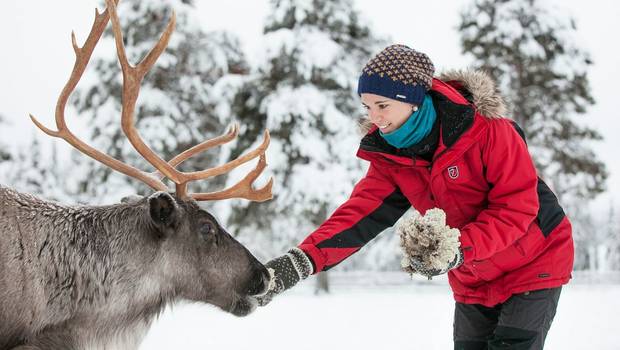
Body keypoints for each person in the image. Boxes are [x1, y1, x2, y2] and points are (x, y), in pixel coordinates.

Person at [255, 44, 573, 350]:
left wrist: (457, 249)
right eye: (367, 106)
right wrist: (298, 263)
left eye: (383, 105)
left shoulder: (490, 132)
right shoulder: (393, 157)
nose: (375, 117)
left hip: (534, 260)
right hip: (473, 276)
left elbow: (516, 208)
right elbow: (358, 216)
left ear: (413, 101)